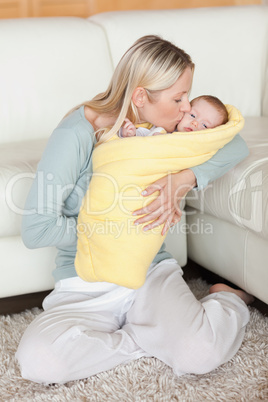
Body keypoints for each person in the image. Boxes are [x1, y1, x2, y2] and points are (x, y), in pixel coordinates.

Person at [16, 35, 252, 385]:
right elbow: (36, 229)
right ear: (141, 97)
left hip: (149, 274)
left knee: (200, 353)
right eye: (178, 98)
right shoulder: (77, 133)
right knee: (39, 363)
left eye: (188, 95)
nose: (188, 108)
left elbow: (235, 143)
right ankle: (154, 339)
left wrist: (185, 178)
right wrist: (112, 231)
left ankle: (226, 300)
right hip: (85, 283)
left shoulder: (165, 135)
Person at [119, 95, 228, 137]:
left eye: (204, 125)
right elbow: (144, 134)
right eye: (193, 115)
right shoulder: (167, 127)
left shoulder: (195, 146)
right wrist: (131, 134)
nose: (195, 123)